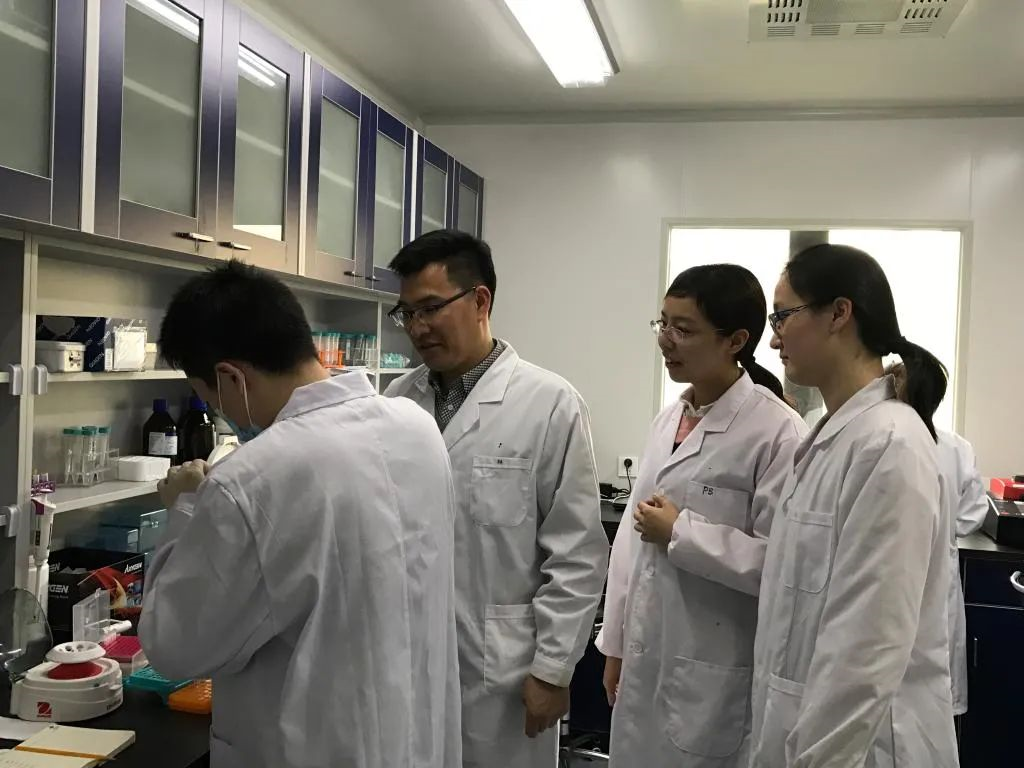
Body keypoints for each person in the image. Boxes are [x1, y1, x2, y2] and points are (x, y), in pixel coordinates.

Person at [140, 260, 461, 768]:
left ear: (229, 377)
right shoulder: (415, 427)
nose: (224, 414)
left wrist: (184, 506)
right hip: (411, 738)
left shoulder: (250, 479)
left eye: (211, 398)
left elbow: (175, 647)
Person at [383, 230, 608, 768]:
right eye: (407, 313)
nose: (417, 327)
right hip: (406, 661)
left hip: (501, 672)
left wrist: (552, 671)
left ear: (480, 300)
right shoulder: (397, 401)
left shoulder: (550, 404)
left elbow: (576, 553)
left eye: (430, 308)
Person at [750, 244, 958, 768]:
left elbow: (867, 647)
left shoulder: (890, 443)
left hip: (864, 747)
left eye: (782, 316)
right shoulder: (833, 437)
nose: (772, 338)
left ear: (839, 313)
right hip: (807, 730)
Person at [597, 265, 807, 768]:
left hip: (716, 671)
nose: (666, 340)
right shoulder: (668, 419)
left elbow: (781, 565)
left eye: (684, 329)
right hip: (646, 657)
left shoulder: (778, 433)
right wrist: (615, 643)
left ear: (736, 340)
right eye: (663, 323)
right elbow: (630, 543)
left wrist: (682, 533)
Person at [887, 362, 990, 717]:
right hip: (935, 580)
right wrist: (943, 528)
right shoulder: (956, 447)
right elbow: (973, 513)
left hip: (894, 579)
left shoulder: (882, 440)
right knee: (929, 705)